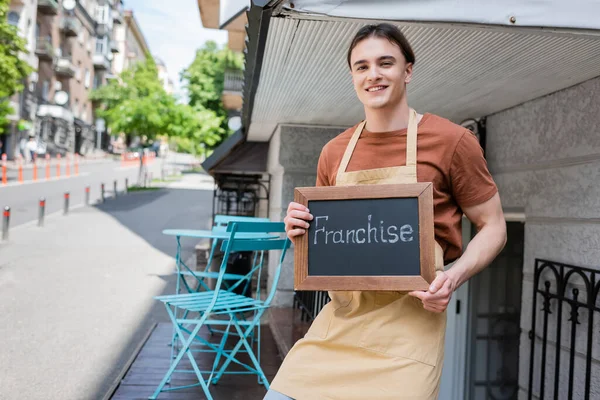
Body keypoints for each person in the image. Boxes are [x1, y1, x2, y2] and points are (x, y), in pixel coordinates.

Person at [264, 23, 507, 400]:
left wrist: (453, 278)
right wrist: (299, 229)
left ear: (408, 70)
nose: (373, 74)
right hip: (339, 327)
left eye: (385, 63)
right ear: (352, 76)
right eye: (361, 66)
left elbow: (494, 226)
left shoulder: (452, 141)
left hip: (410, 335)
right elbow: (328, 243)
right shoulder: (334, 152)